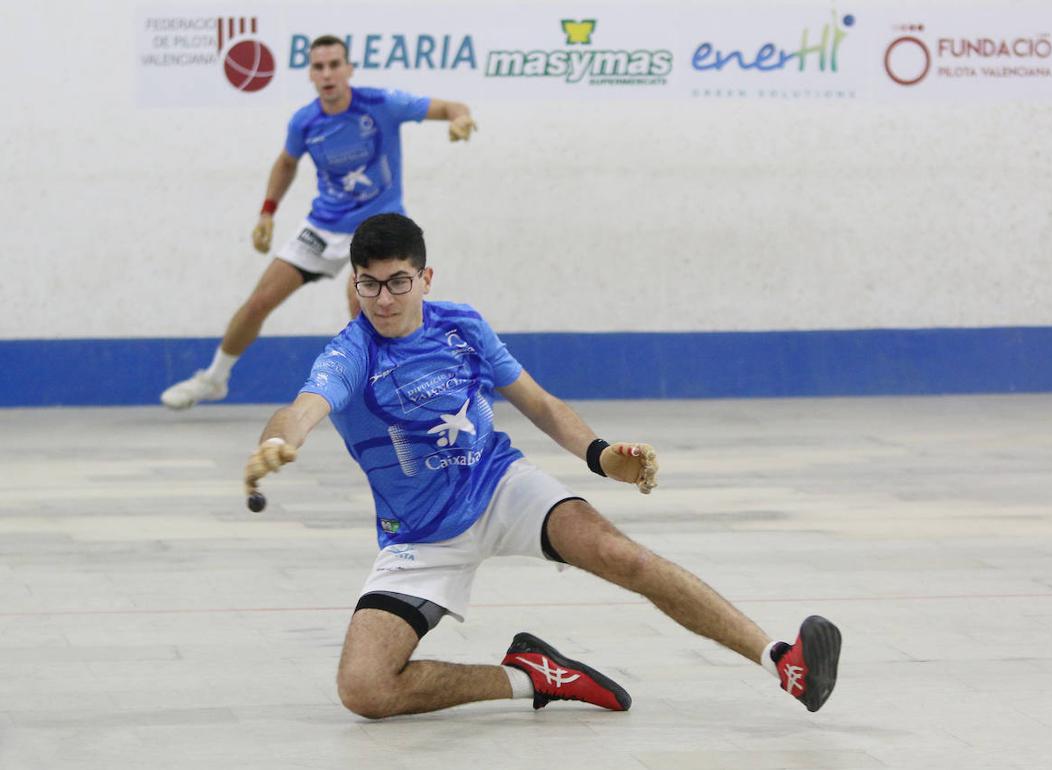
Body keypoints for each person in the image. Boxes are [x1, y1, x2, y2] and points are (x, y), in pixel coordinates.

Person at [243, 213, 843, 718]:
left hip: (500, 486)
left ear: (425, 277)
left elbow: (541, 404)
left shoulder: (463, 326)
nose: (383, 299)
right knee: (364, 689)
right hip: (421, 538)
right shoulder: (350, 352)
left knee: (622, 555)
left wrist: (601, 456)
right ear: (355, 284)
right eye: (368, 285)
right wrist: (276, 443)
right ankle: (533, 676)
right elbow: (300, 410)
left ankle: (782, 662)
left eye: (398, 282)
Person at [161, 34, 477, 410]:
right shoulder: (305, 122)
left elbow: (452, 107)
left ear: (348, 70)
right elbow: (287, 163)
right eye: (318, 67)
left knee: (360, 298)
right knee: (260, 300)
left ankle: (383, 387)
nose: (327, 74)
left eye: (334, 65)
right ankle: (213, 378)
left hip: (377, 223)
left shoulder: (382, 103)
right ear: (311, 74)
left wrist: (460, 120)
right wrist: (267, 212)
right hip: (323, 224)